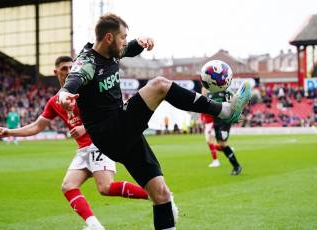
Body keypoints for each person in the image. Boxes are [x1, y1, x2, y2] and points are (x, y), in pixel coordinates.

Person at [58, 13, 251, 230]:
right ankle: (225, 111)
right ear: (109, 38)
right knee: (159, 85)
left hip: (124, 135)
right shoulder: (87, 63)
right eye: (123, 37)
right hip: (110, 131)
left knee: (162, 195)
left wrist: (139, 44)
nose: (125, 41)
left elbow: (126, 49)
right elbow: (74, 80)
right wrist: (65, 94)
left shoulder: (111, 52)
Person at [0, 56, 151, 230]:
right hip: (83, 149)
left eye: (71, 68)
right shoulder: (54, 102)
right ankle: (94, 225)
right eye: (64, 69)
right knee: (68, 186)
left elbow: (111, 113)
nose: (68, 71)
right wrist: (9, 132)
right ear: (56, 72)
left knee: (105, 188)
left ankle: (156, 195)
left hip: (100, 142)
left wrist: (85, 127)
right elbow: (37, 126)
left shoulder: (86, 91)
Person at [206, 89, 243, 175]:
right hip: (216, 122)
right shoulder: (210, 94)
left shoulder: (226, 93)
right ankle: (232, 156)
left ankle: (236, 166)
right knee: (221, 145)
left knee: (222, 144)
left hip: (225, 122)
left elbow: (235, 105)